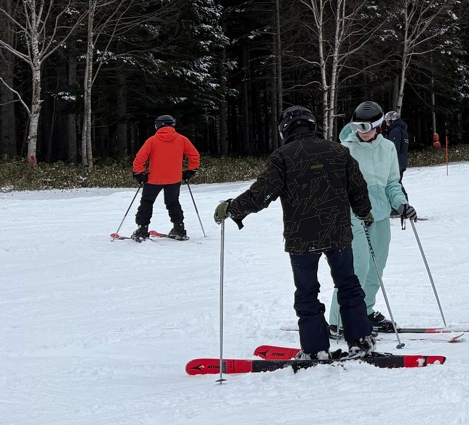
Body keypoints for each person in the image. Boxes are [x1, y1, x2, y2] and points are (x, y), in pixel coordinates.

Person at [213, 106, 376, 360]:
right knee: (348, 285)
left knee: (307, 292)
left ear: (285, 129)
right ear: (311, 125)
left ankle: (315, 349)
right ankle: (361, 339)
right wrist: (364, 212)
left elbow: (261, 194)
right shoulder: (338, 151)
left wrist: (233, 208)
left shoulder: (283, 156)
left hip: (302, 238)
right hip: (338, 234)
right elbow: (358, 186)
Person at [332, 101, 412, 334]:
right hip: (353, 213)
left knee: (377, 268)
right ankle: (338, 319)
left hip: (380, 214)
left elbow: (391, 184)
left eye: (366, 127)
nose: (362, 132)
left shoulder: (387, 148)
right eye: (358, 127)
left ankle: (364, 311)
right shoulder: (345, 149)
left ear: (378, 126)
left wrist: (402, 204)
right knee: (358, 266)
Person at [130, 114, 201, 241]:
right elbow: (195, 156)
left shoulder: (152, 140)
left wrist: (139, 173)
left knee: (147, 202)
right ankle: (179, 229)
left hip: (154, 179)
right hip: (174, 178)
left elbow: (139, 158)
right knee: (173, 202)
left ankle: (142, 229)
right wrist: (190, 171)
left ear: (157, 125)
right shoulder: (182, 139)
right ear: (172, 125)